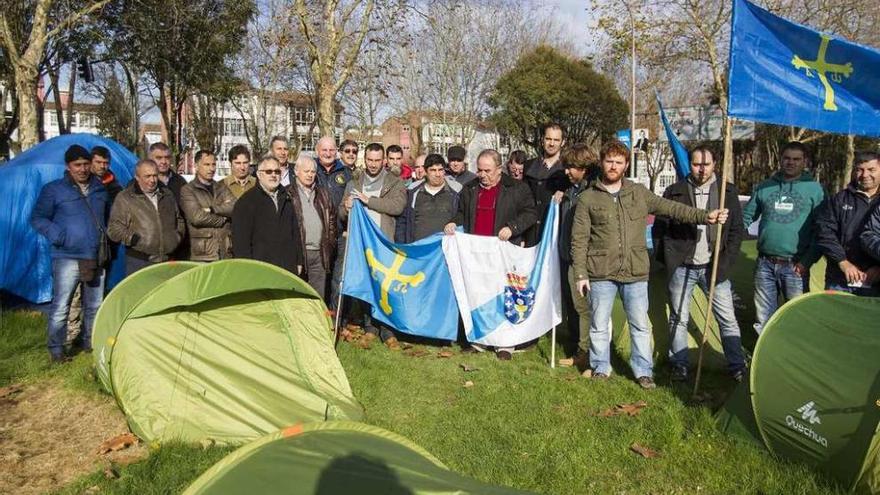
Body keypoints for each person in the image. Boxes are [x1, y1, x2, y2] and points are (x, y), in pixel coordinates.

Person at [571, 141, 728, 389]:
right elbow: (578, 240)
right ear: (601, 163)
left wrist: (703, 217)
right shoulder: (587, 198)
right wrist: (581, 273)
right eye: (609, 161)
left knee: (640, 325)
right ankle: (601, 366)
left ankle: (643, 371)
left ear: (626, 165)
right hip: (600, 273)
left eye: (619, 162)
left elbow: (672, 208)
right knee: (599, 325)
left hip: (635, 272)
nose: (613, 166)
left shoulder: (638, 193)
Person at [652, 145, 746, 382]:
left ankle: (737, 366)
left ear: (714, 164)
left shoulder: (727, 191)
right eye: (696, 164)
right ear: (689, 164)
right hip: (682, 265)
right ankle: (679, 364)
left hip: (714, 266)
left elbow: (735, 232)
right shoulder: (675, 191)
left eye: (706, 164)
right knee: (678, 317)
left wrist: (725, 262)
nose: (701, 169)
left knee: (726, 317)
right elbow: (660, 228)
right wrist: (668, 258)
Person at [444, 149, 538, 360]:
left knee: (502, 296)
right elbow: (461, 213)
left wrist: (512, 227)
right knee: (478, 295)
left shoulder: (517, 188)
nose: (482, 175)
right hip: (476, 254)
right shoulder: (470, 189)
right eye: (479, 170)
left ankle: (505, 343)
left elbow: (531, 213)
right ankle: (479, 339)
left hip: (504, 254)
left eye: (487, 170)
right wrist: (452, 222)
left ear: (499, 169)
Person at [30, 145, 108, 362]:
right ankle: (56, 349)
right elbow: (37, 218)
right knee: (61, 305)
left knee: (95, 305)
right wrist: (59, 236)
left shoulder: (100, 188)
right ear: (68, 166)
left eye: (85, 164)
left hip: (95, 255)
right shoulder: (54, 189)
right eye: (77, 165)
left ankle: (91, 343)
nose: (82, 169)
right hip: (67, 256)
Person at [742, 141, 825, 334]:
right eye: (787, 158)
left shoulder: (815, 190)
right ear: (780, 159)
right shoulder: (765, 187)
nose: (791, 163)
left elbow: (821, 231)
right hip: (765, 264)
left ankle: (795, 358)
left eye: (796, 159)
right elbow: (746, 218)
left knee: (797, 316)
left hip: (796, 265)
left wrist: (806, 262)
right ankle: (764, 359)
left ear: (804, 161)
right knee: (764, 319)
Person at [339, 142, 407, 350]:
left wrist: (370, 201)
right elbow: (341, 212)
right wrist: (346, 207)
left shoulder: (395, 182)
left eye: (378, 160)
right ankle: (370, 328)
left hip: (383, 242)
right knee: (367, 285)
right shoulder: (354, 183)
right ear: (364, 159)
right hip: (362, 242)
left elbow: (397, 206)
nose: (374, 164)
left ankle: (387, 330)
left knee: (385, 285)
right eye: (370, 160)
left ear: (384, 161)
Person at [554, 144, 596, 372]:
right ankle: (580, 351)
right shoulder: (571, 190)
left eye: (571, 167)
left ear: (584, 167)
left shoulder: (592, 192)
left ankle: (587, 356)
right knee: (575, 307)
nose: (567, 171)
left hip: (583, 260)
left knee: (584, 309)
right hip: (567, 256)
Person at [815, 151, 880, 296]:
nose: (865, 175)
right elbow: (824, 232)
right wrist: (843, 262)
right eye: (859, 170)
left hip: (876, 282)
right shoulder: (839, 200)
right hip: (840, 280)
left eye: (871, 170)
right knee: (835, 319)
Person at [108, 160, 185, 275]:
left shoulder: (167, 195)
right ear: (137, 177)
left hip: (167, 259)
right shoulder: (125, 198)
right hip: (140, 261)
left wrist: (177, 236)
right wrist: (133, 239)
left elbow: (178, 219)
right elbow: (114, 229)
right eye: (147, 176)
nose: (152, 180)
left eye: (155, 175)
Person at [232, 157, 304, 275]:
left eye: (277, 171)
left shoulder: (287, 198)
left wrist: (299, 260)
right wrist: (246, 269)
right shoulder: (246, 202)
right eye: (269, 171)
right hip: (260, 269)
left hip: (287, 267)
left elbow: (295, 232)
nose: (273, 175)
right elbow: (241, 242)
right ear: (259, 175)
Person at [290, 155, 337, 300]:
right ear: (296, 171)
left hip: (320, 253)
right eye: (306, 171)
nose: (310, 175)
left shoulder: (323, 194)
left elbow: (332, 221)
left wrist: (330, 243)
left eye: (313, 172)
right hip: (298, 254)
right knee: (297, 295)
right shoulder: (288, 194)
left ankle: (316, 323)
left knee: (317, 296)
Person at [179, 150, 235, 261]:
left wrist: (212, 209)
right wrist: (224, 218)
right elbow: (197, 217)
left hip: (224, 251)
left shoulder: (221, 187)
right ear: (196, 166)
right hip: (203, 253)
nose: (211, 168)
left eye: (213, 164)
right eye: (207, 164)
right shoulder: (188, 190)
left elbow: (235, 207)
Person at [395, 154, 459, 244]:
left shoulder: (456, 192)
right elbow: (402, 222)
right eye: (433, 170)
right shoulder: (413, 192)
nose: (437, 174)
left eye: (440, 170)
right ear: (426, 171)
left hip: (445, 250)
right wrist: (402, 246)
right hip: (419, 250)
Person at [525, 123, 571, 246]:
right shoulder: (528, 166)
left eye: (556, 140)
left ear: (563, 142)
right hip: (532, 233)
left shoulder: (570, 169)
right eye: (548, 139)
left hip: (557, 236)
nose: (551, 144)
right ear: (542, 140)